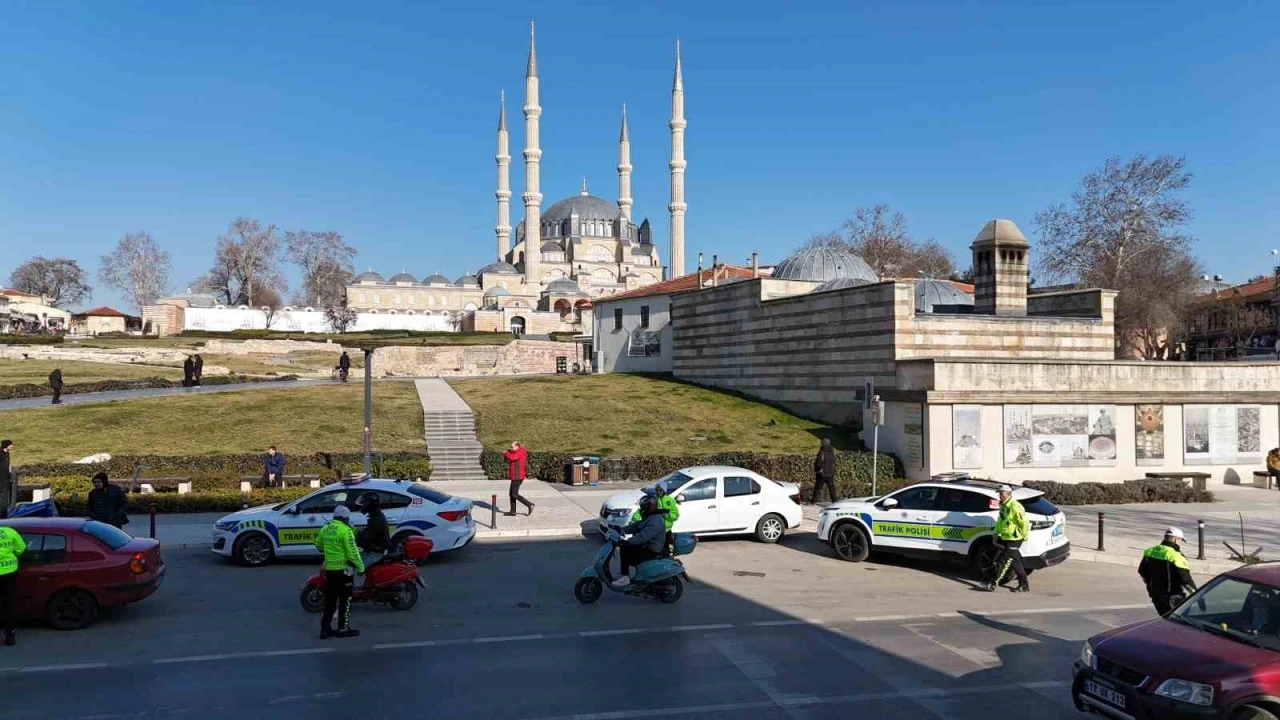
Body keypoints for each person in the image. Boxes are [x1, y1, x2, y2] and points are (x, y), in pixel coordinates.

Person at [313, 505, 364, 639]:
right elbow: (353, 553)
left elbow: (318, 546)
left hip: (330, 571)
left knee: (329, 602)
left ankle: (325, 630)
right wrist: (361, 568)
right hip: (344, 572)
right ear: (344, 518)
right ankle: (343, 629)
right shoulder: (346, 530)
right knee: (345, 601)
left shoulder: (325, 529)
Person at [1139, 527, 1197, 616]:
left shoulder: (1150, 551)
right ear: (1175, 539)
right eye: (1180, 540)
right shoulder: (1176, 556)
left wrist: (1150, 584)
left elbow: (1142, 571)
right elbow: (1185, 580)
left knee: (1164, 618)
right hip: (1172, 597)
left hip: (1155, 595)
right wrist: (1196, 595)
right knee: (1178, 621)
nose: (1180, 543)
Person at [984, 485, 1030, 593]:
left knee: (1003, 561)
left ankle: (992, 583)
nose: (1000, 496)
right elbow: (1001, 521)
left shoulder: (1015, 506)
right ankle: (1024, 586)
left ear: (1008, 494)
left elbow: (1024, 523)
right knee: (1015, 563)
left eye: (1002, 493)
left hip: (1015, 539)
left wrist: (1024, 537)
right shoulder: (1003, 505)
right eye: (999, 493)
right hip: (1005, 537)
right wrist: (996, 534)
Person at [613, 494, 667, 587]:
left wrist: (628, 541)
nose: (642, 509)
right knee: (626, 547)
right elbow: (637, 526)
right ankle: (628, 574)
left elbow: (642, 537)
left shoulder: (655, 521)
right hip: (648, 545)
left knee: (625, 548)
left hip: (652, 549)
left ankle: (625, 577)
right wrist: (623, 529)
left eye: (644, 507)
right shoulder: (650, 516)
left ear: (649, 507)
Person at [354, 492, 390, 587]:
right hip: (372, 549)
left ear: (369, 504)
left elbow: (366, 537)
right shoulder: (375, 515)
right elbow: (367, 533)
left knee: (356, 567)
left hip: (375, 553)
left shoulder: (377, 520)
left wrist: (355, 540)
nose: (362, 505)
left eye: (364, 503)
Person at [631, 485, 679, 554]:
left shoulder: (670, 500)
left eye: (660, 490)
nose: (658, 492)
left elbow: (676, 515)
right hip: (654, 530)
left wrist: (667, 515)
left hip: (666, 530)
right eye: (657, 490)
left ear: (664, 491)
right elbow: (642, 510)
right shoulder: (653, 499)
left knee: (665, 550)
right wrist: (634, 520)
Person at [0, 523, 25, 646]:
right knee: (8, 605)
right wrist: (14, 554)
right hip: (10, 572)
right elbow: (21, 548)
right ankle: (10, 637)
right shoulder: (10, 532)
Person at [502, 441, 535, 516]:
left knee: (514, 494)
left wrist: (506, 453)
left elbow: (512, 457)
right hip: (515, 476)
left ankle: (530, 504)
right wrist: (508, 452)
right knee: (511, 494)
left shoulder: (520, 452)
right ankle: (513, 511)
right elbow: (511, 456)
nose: (511, 448)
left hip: (518, 476)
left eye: (512, 447)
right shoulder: (517, 451)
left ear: (517, 446)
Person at [812, 438, 837, 504]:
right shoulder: (832, 452)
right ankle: (834, 501)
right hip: (830, 473)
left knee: (817, 488)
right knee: (832, 489)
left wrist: (817, 470)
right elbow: (834, 462)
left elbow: (818, 463)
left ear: (823, 443)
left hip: (822, 473)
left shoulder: (822, 452)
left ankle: (814, 501)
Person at [0, 440, 12, 518]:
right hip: (1, 479)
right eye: (11, 445)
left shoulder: (7, 453)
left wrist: (9, 471)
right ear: (6, 445)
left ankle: (4, 513)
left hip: (5, 478)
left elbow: (7, 464)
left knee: (5, 496)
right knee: (3, 496)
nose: (12, 446)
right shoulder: (0, 453)